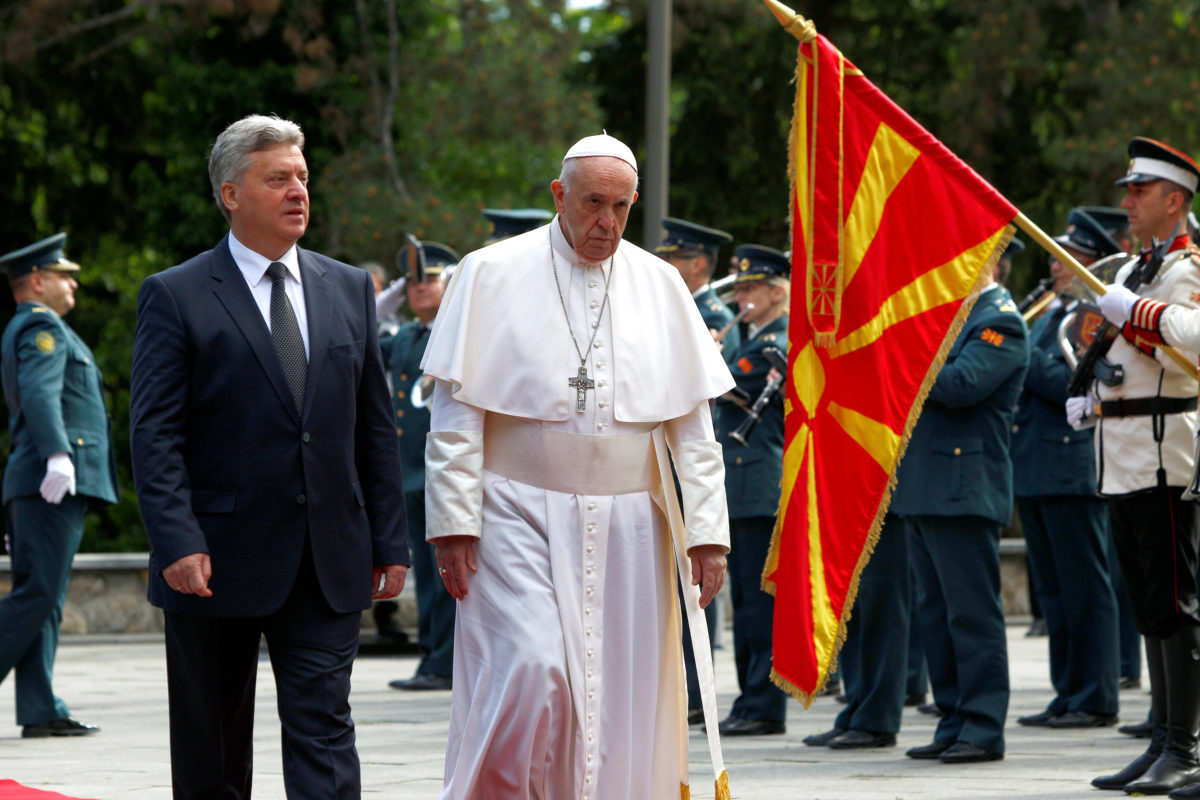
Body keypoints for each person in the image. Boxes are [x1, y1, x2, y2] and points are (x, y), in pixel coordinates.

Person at [420, 133, 734, 799]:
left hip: (631, 530)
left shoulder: (661, 283)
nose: (607, 223)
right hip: (514, 514)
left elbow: (694, 432)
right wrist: (452, 521)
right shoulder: (489, 273)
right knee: (530, 672)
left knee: (617, 692)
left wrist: (707, 534)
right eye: (593, 203)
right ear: (558, 196)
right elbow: (455, 417)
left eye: (622, 207)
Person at [129, 114, 409, 800]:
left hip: (327, 557)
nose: (298, 192)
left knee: (324, 727)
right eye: (277, 178)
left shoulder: (348, 289)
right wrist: (177, 540)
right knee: (213, 749)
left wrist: (390, 539)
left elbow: (374, 425)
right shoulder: (177, 293)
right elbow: (154, 433)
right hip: (215, 561)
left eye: (304, 177)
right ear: (230, 193)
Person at [1078, 137, 1200, 797]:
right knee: (1149, 604)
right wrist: (1085, 393)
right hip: (1124, 455)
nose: (1127, 201)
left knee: (1178, 605)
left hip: (1166, 455)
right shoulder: (1133, 268)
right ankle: (1160, 739)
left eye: (1139, 191)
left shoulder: (1189, 266)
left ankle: (1184, 745)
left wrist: (1145, 313)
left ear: (1174, 200)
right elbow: (1114, 350)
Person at [891, 246, 1030, 764]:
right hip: (927, 483)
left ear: (988, 265)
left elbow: (960, 384)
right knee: (936, 613)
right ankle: (953, 719)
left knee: (972, 615)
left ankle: (983, 725)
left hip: (964, 485)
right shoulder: (953, 320)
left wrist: (905, 348)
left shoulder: (1001, 321)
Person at [0, 233, 117, 739]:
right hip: (51, 478)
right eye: (64, 274)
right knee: (38, 593)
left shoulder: (41, 327)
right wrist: (57, 455)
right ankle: (41, 704)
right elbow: (42, 394)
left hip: (46, 480)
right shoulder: (40, 329)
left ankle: (41, 705)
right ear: (37, 281)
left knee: (45, 595)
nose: (73, 283)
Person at [1012, 213, 1123, 732]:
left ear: (1090, 263)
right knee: (1053, 591)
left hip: (1070, 465)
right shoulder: (1047, 311)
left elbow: (1071, 382)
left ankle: (1095, 694)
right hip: (1036, 463)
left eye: (1065, 257)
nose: (1054, 265)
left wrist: (1018, 357)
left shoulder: (1088, 314)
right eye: (1054, 256)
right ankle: (1066, 690)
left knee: (1084, 586)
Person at [713, 244, 790, 737]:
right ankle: (749, 698)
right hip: (739, 482)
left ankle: (764, 703)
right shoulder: (750, 337)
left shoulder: (775, 342)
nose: (741, 296)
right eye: (738, 287)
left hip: (761, 481)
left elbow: (728, 388)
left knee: (761, 605)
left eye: (750, 288)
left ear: (777, 292)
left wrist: (706, 354)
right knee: (743, 601)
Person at [386, 238, 458, 691]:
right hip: (410, 469)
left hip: (442, 469)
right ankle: (431, 654)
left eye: (429, 279)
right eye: (411, 282)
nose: (418, 289)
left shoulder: (455, 334)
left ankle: (445, 661)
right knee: (427, 574)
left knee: (445, 569)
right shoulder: (407, 337)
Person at [656, 217, 741, 362]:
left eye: (670, 257)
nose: (661, 263)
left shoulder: (715, 318)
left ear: (697, 265)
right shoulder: (676, 305)